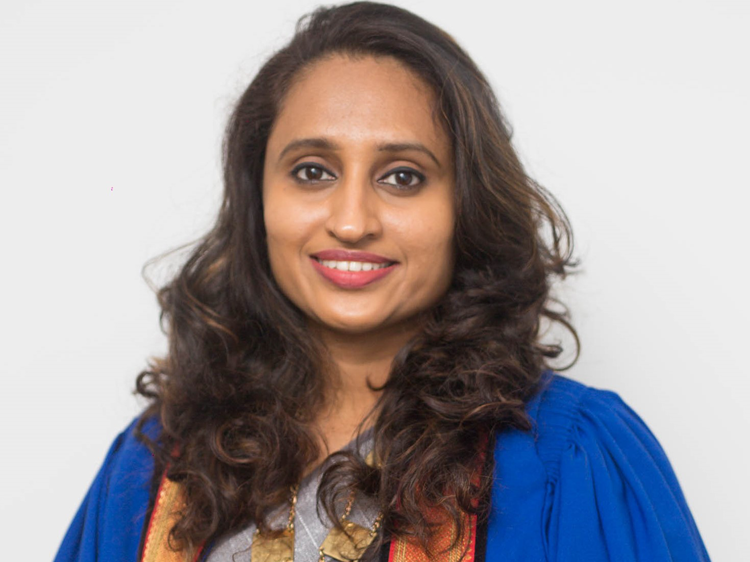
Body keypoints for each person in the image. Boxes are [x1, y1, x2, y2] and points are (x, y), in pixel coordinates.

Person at [53, 2, 711, 561]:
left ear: (466, 207)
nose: (351, 221)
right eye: (312, 171)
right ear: (258, 202)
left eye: (403, 176)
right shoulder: (153, 467)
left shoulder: (571, 456)